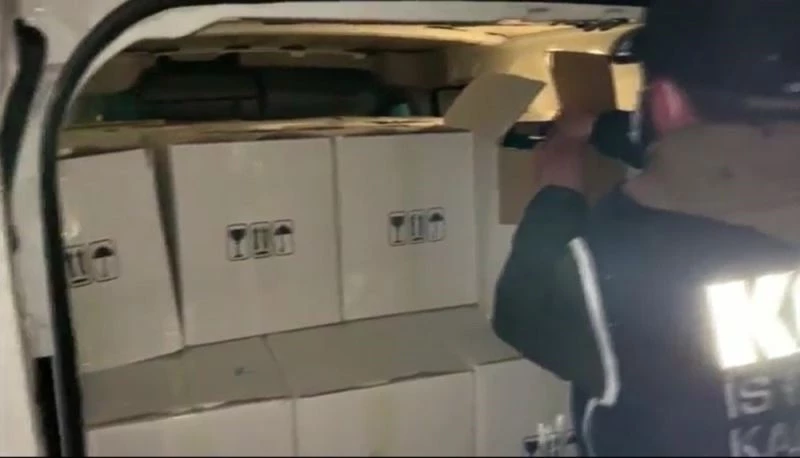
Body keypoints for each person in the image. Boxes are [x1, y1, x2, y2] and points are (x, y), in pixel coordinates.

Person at [492, 0, 800, 455]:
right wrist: (603, 128)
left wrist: (556, 191)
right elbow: (743, 161)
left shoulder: (621, 251)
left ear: (666, 102)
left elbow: (522, 312)